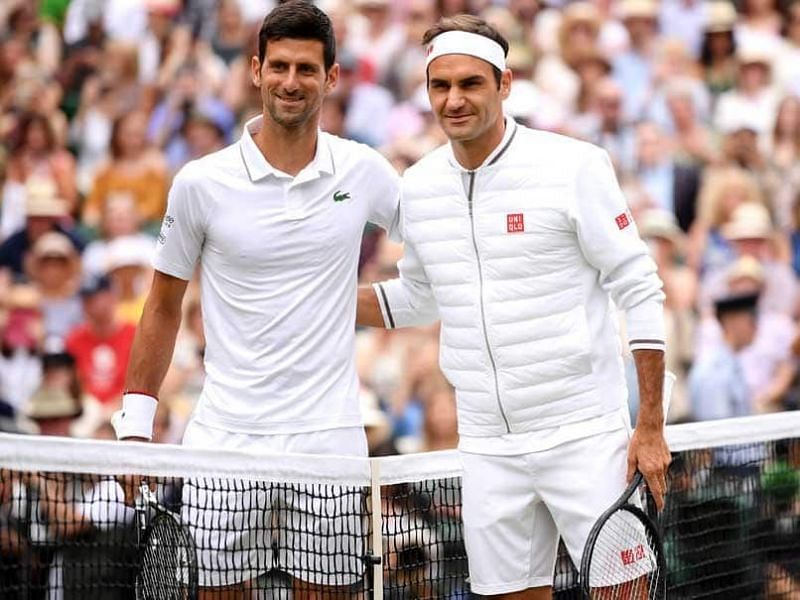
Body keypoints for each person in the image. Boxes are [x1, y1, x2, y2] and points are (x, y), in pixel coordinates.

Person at [356, 15, 670, 599]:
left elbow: (639, 285)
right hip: (485, 445)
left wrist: (649, 423)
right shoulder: (419, 186)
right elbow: (420, 298)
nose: (454, 100)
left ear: (505, 84)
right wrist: (319, 300)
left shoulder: (574, 165)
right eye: (440, 85)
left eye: (470, 84)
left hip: (584, 431)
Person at [110, 2, 401, 598]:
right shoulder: (199, 182)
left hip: (329, 437)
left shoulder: (364, 170)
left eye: (306, 70)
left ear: (332, 77)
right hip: (225, 439)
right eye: (279, 67)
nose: (291, 82)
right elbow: (163, 304)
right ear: (255, 70)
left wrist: (380, 305)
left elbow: (443, 243)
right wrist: (135, 427)